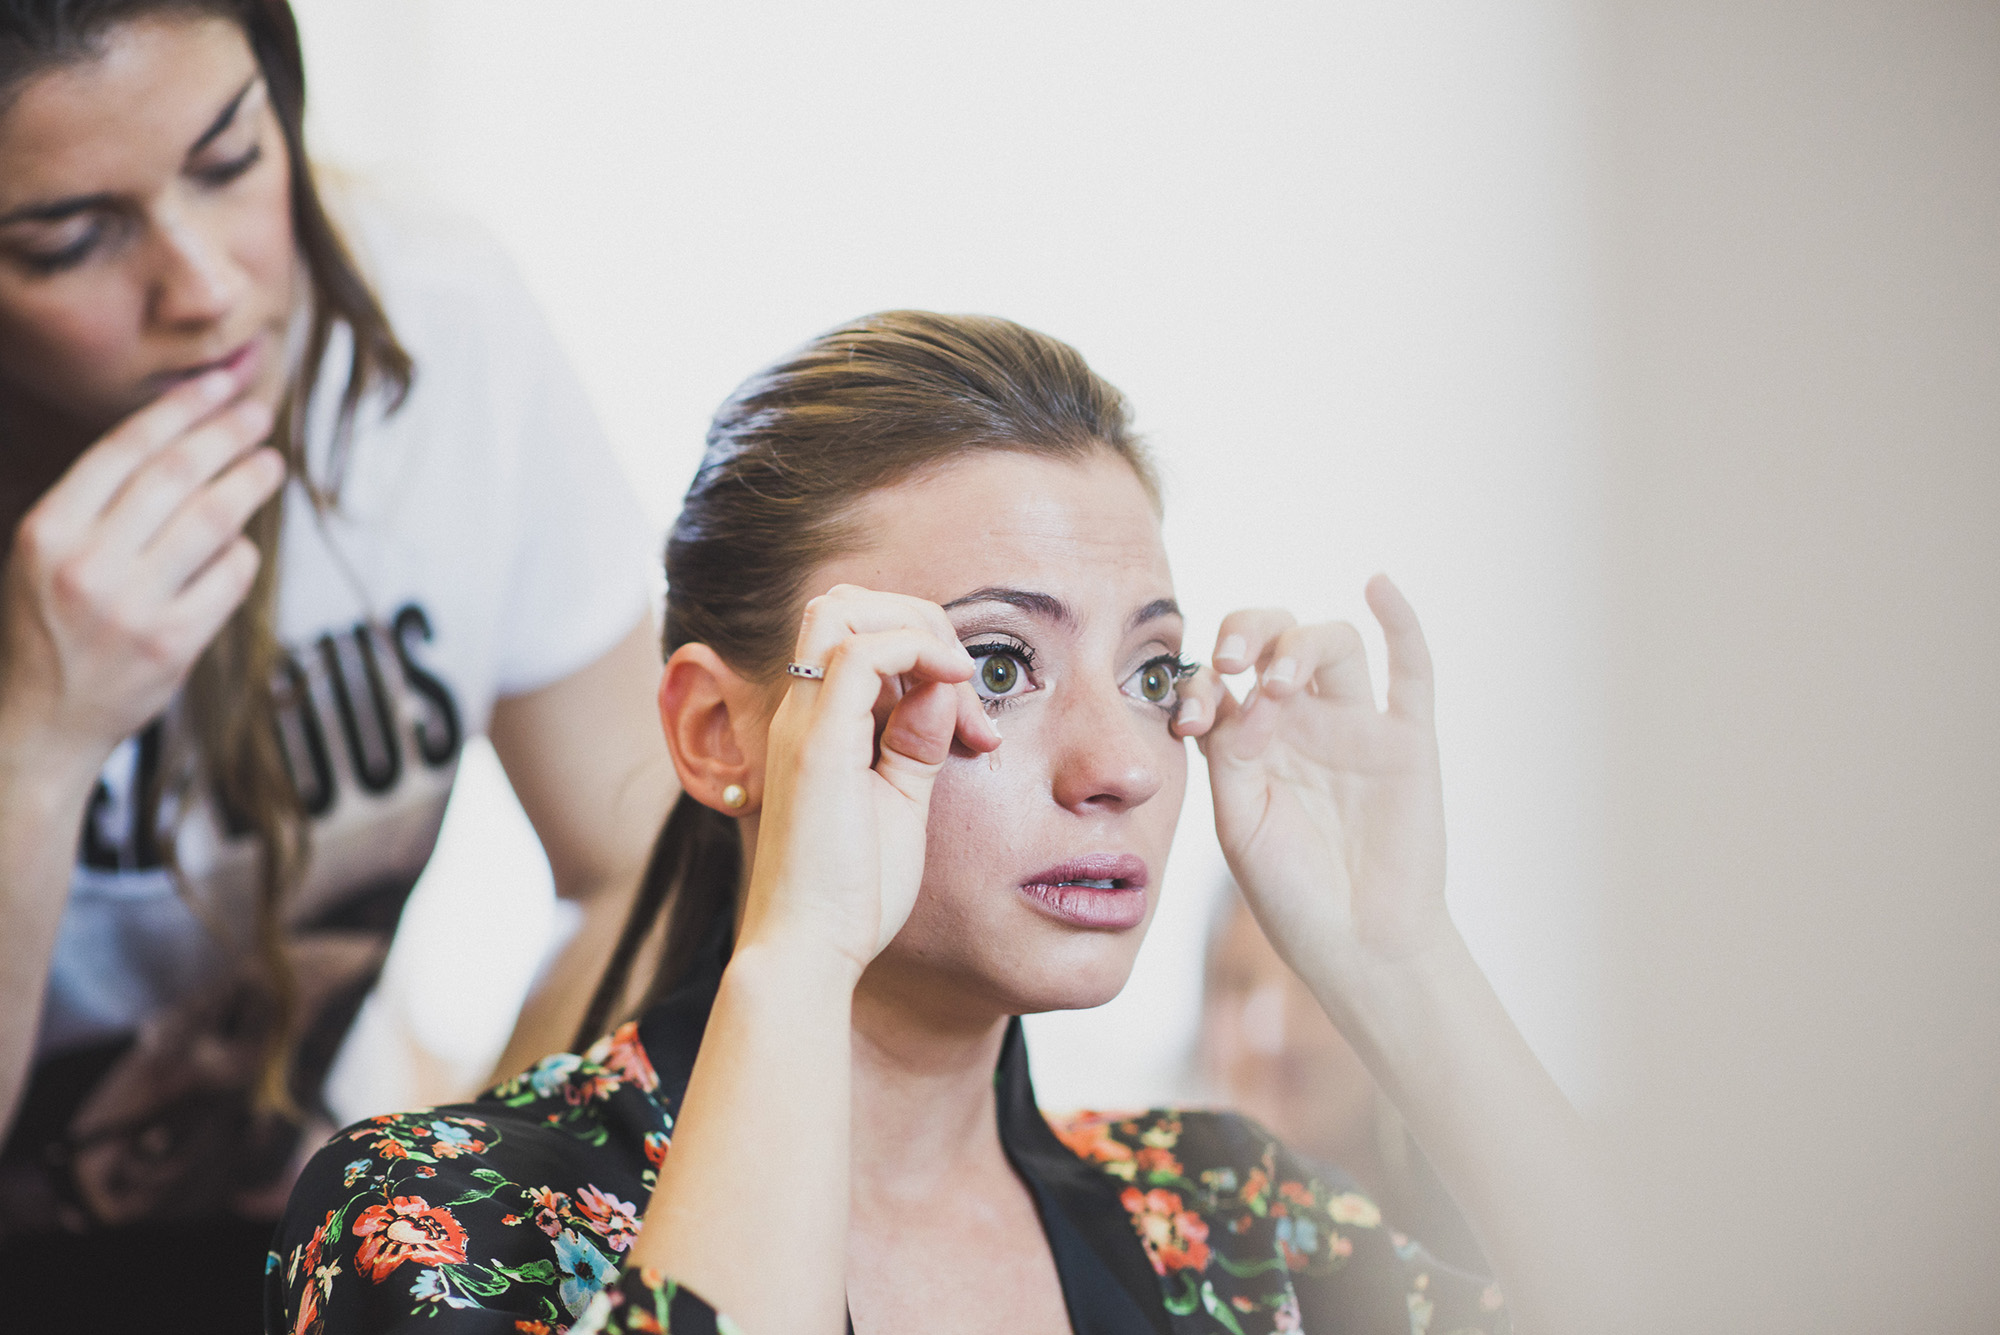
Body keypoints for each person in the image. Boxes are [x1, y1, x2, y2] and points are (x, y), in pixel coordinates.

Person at [271, 312, 1610, 1334]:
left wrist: (1400, 959)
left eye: (1152, 674)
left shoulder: (1222, 1219)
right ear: (713, 731)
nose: (1121, 768)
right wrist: (799, 953)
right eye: (998, 665)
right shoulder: (439, 1212)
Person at [0, 2, 676, 1326]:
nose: (204, 286)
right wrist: (41, 740)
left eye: (233, 158)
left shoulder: (441, 316)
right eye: (71, 238)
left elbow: (641, 848)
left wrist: (454, 1221)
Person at [1197, 884, 1485, 1274]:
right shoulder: (1152, 1245)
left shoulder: (1485, 1231)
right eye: (1238, 982)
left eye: (1314, 980)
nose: (1274, 1035)